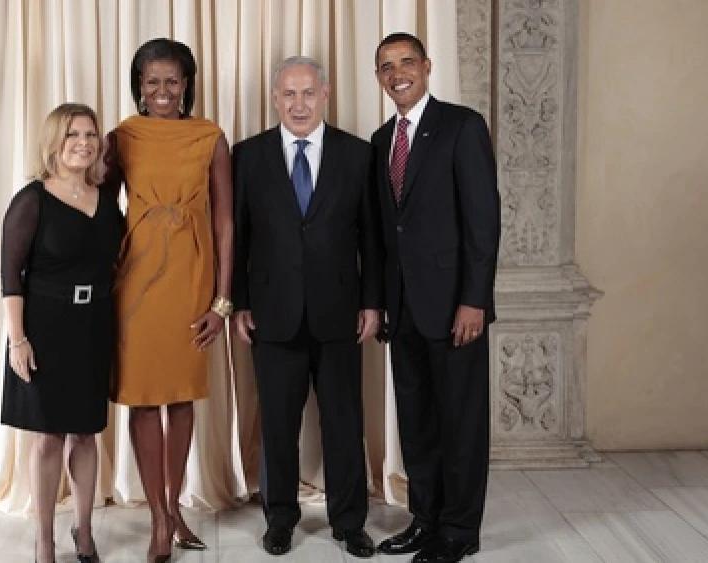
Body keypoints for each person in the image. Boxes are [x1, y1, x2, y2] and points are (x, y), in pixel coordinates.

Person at [232, 56, 381, 559]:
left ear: (326, 94)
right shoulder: (247, 156)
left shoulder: (357, 155)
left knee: (343, 422)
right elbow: (238, 237)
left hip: (340, 312)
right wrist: (239, 304)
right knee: (277, 424)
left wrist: (372, 302)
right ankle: (280, 519)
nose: (299, 104)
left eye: (308, 93)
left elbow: (372, 239)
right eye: (289, 94)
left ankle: (349, 522)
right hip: (271, 314)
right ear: (275, 98)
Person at [370, 32, 501, 563]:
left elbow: (483, 223)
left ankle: (460, 530)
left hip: (454, 308)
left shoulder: (463, 126)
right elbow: (385, 233)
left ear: (426, 66)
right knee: (418, 422)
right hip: (403, 309)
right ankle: (425, 520)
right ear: (378, 77)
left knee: (461, 421)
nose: (397, 73)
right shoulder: (382, 140)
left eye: (406, 62)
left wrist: (475, 300)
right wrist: (380, 302)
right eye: (386, 66)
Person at [107, 38, 233, 563]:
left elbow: (225, 222)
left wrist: (222, 301)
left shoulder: (211, 137)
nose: (162, 90)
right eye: (152, 81)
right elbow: (97, 209)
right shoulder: (123, 137)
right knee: (141, 398)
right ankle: (160, 517)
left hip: (191, 280)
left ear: (187, 85)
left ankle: (174, 506)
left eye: (172, 81)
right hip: (136, 285)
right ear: (139, 85)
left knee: (180, 398)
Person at [0, 103, 123, 563]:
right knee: (48, 436)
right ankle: (45, 540)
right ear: (55, 140)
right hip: (43, 330)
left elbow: (118, 264)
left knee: (87, 434)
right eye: (73, 134)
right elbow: (10, 275)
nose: (84, 143)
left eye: (91, 135)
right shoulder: (32, 199)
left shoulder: (107, 200)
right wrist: (18, 339)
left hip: (92, 328)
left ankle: (84, 532)